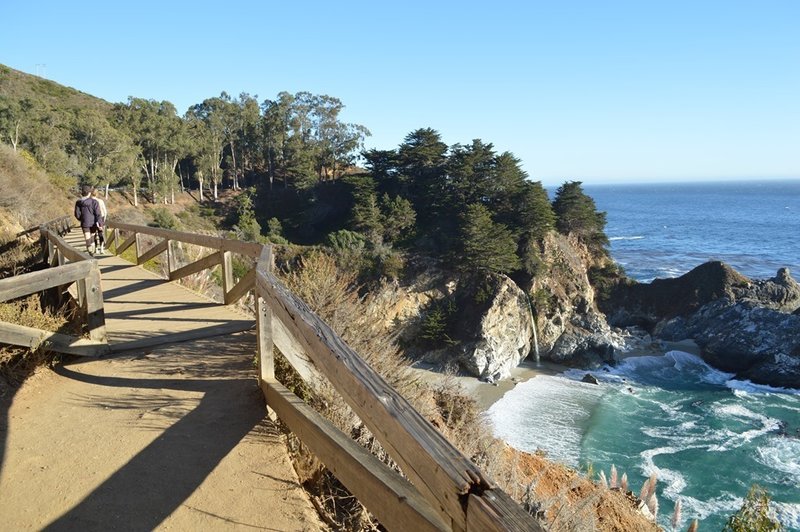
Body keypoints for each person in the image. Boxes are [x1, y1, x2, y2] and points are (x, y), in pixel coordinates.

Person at [74, 185, 101, 255]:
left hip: (84, 223)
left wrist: (81, 219)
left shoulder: (78, 202)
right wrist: (100, 223)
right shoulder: (94, 202)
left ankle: (90, 252)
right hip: (93, 223)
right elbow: (98, 213)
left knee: (87, 238)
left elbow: (77, 214)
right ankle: (93, 250)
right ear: (89, 193)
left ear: (81, 193)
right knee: (92, 236)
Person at [91, 188, 108, 254]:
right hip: (100, 218)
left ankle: (96, 249)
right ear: (97, 194)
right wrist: (104, 220)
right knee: (101, 233)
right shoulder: (100, 201)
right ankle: (101, 248)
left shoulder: (90, 201)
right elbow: (105, 211)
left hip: (92, 219)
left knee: (94, 234)